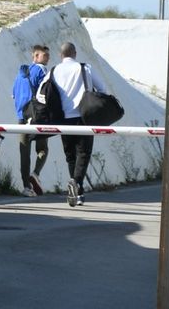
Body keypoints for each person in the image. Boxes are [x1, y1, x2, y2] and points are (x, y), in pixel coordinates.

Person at [49, 41, 106, 206]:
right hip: (83, 117)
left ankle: (77, 192)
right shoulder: (85, 68)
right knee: (83, 153)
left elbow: (41, 93)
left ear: (61, 55)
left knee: (70, 155)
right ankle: (76, 184)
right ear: (75, 53)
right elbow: (102, 89)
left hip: (63, 119)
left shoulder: (54, 70)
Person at [13, 44, 53, 196]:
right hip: (37, 118)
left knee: (24, 153)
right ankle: (35, 174)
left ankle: (26, 187)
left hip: (21, 118)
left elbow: (13, 95)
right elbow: (47, 93)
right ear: (35, 56)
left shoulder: (20, 74)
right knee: (42, 149)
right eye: (45, 55)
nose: (47, 58)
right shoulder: (42, 70)